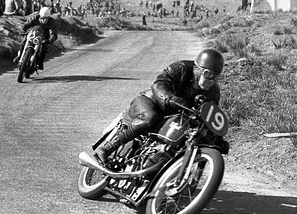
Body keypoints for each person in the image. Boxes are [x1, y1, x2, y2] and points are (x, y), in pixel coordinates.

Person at [94, 49, 226, 165]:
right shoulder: (181, 68)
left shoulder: (213, 92)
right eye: (208, 74)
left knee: (186, 140)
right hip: (151, 102)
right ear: (198, 69)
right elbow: (159, 84)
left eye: (216, 76)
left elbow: (210, 115)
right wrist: (169, 98)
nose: (212, 80)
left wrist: (218, 138)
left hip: (174, 117)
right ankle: (108, 147)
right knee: (150, 118)